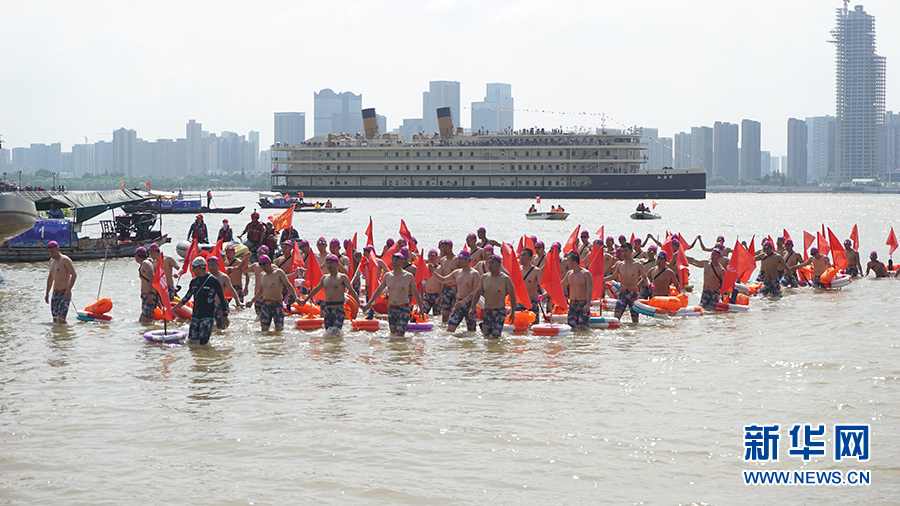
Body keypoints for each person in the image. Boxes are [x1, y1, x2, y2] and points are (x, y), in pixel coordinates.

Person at [361, 253, 425, 338]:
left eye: (397, 260)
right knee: (393, 335)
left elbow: (415, 292)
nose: (394, 262)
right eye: (393, 260)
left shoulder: (408, 276)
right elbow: (379, 290)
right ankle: (395, 351)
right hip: (391, 308)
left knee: (399, 335)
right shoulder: (387, 276)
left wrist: (421, 308)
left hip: (403, 308)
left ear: (402, 261)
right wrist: (368, 304)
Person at [299, 254, 361, 334]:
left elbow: (352, 290)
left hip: (338, 309)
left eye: (331, 263)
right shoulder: (324, 278)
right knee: (328, 333)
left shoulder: (342, 278)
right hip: (327, 310)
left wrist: (360, 304)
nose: (329, 265)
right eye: (328, 263)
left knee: (335, 333)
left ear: (337, 264)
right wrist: (305, 300)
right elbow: (316, 290)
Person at [173, 257, 227, 345]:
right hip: (195, 317)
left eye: (193, 268)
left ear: (200, 268)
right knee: (191, 342)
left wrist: (225, 315)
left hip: (207, 316)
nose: (192, 270)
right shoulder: (194, 281)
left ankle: (205, 358)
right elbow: (186, 298)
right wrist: (172, 310)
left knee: (203, 343)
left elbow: (222, 298)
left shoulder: (213, 281)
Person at [430, 250, 482, 332]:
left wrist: (464, 301)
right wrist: (433, 272)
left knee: (471, 332)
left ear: (468, 260)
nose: (459, 261)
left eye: (461, 259)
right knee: (449, 330)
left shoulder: (474, 274)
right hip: (458, 304)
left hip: (469, 304)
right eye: (458, 259)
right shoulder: (457, 273)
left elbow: (476, 291)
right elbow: (443, 280)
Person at [468, 255, 515, 339]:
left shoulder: (505, 279)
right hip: (487, 311)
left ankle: (497, 351)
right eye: (489, 263)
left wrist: (513, 313)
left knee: (495, 337)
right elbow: (478, 293)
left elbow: (512, 295)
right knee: (485, 336)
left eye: (492, 263)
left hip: (499, 312)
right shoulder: (485, 277)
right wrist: (472, 308)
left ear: (499, 265)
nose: (490, 265)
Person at [245, 254, 295, 331]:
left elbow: (288, 285)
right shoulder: (262, 275)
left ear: (270, 263)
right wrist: (252, 301)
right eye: (261, 266)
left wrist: (296, 298)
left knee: (279, 330)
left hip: (277, 305)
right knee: (264, 330)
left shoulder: (278, 273)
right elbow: (261, 291)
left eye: (265, 265)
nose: (263, 268)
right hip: (266, 305)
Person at [604, 242, 647, 323]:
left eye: (626, 251)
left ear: (631, 251)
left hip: (633, 294)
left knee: (635, 322)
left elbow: (645, 277)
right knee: (616, 319)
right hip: (622, 294)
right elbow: (613, 276)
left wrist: (649, 284)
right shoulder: (620, 265)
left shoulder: (638, 265)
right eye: (622, 251)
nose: (623, 253)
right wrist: (602, 280)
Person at [45, 241, 76, 323]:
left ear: (58, 249)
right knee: (55, 320)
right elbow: (50, 278)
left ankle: (66, 334)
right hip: (55, 293)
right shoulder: (51, 261)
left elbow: (74, 275)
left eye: (53, 251)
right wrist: (47, 293)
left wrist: (68, 290)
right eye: (49, 252)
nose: (51, 254)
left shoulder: (65, 260)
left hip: (64, 293)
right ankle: (58, 335)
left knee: (61, 319)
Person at [206, 256, 241, 329]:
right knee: (208, 327)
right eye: (209, 265)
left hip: (220, 306)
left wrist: (238, 301)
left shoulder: (223, 277)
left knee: (221, 328)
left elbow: (231, 290)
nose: (210, 267)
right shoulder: (206, 277)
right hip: (208, 306)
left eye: (213, 265)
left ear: (218, 265)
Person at [561, 251, 592, 330]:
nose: (567, 263)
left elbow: (590, 289)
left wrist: (588, 304)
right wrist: (547, 292)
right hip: (572, 304)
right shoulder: (569, 274)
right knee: (571, 328)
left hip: (583, 304)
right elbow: (560, 285)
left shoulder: (586, 274)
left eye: (568, 261)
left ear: (574, 262)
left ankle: (583, 343)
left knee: (583, 329)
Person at [135, 247, 158, 323]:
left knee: (143, 321)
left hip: (149, 295)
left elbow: (153, 277)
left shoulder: (146, 263)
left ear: (137, 256)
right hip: (146, 295)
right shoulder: (144, 264)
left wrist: (151, 294)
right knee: (148, 321)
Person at [519, 247, 543, 315]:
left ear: (530, 258)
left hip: (532, 300)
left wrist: (544, 293)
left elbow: (541, 285)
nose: (522, 257)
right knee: (519, 322)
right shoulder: (518, 270)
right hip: (520, 301)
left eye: (524, 255)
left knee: (534, 322)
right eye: (521, 255)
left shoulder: (536, 271)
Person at [420, 249, 443, 316]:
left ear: (437, 257)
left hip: (437, 295)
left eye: (433, 255)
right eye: (429, 255)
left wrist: (441, 296)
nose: (431, 257)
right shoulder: (425, 268)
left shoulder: (440, 268)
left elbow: (442, 283)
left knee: (437, 315)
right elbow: (421, 282)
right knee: (422, 314)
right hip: (427, 295)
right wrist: (421, 298)